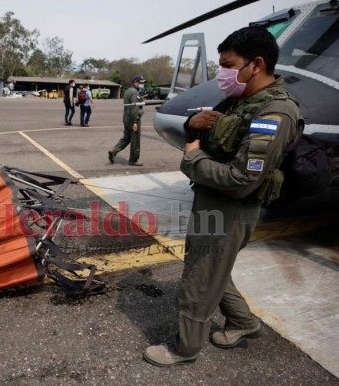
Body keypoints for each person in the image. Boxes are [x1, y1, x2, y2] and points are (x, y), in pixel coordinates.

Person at [143, 26, 304, 367]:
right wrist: (192, 126)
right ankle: (244, 323)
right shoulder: (242, 100)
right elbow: (213, 132)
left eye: (229, 66)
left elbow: (242, 179)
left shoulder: (275, 112)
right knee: (212, 268)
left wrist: (192, 158)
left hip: (232, 207)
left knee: (201, 276)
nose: (224, 74)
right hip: (213, 201)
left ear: (256, 64)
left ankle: (184, 348)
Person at [108, 75, 146, 166]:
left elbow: (131, 104)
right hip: (133, 118)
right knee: (135, 140)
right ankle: (133, 159)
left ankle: (113, 151)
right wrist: (136, 122)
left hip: (126, 118)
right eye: (140, 83)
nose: (141, 85)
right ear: (135, 82)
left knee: (126, 138)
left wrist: (141, 99)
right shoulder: (135, 93)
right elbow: (134, 108)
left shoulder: (128, 91)